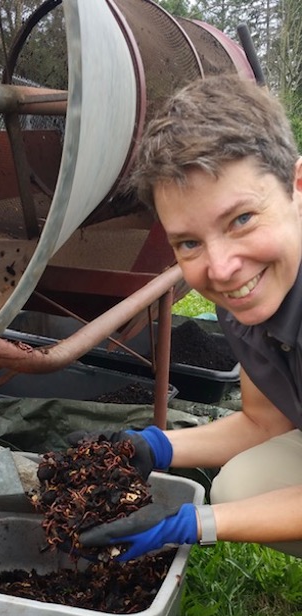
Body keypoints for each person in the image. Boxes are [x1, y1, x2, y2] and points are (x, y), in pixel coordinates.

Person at [74, 73, 302, 561]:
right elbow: (265, 422)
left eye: (241, 219)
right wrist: (155, 447)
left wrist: (192, 524)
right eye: (189, 243)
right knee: (242, 485)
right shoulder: (243, 297)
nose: (220, 270)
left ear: (297, 186)